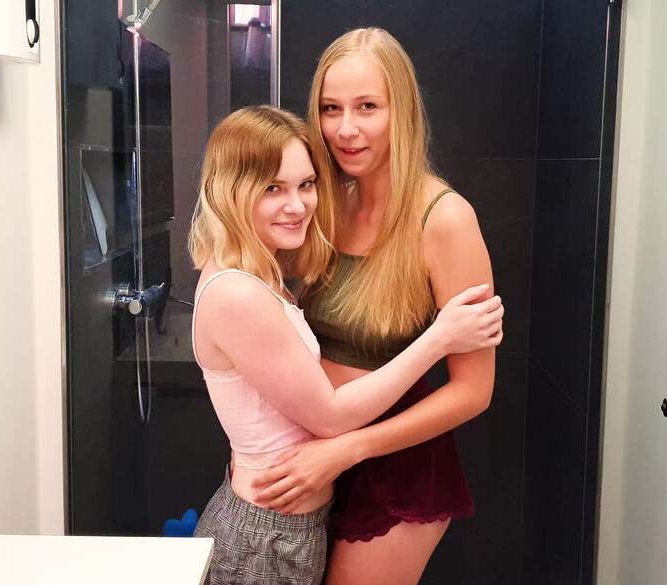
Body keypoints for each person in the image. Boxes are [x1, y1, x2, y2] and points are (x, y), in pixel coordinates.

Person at [188, 105, 503, 585]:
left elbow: (474, 390)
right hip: (266, 535)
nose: (297, 205)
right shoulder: (237, 291)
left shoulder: (258, 268)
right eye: (272, 188)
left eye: (306, 184)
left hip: (285, 523)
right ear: (230, 189)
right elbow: (329, 416)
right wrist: (439, 338)